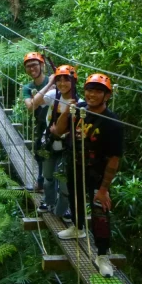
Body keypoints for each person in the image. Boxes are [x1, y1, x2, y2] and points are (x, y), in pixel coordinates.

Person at [54, 73, 123, 278]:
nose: (92, 94)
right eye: (89, 90)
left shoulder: (113, 123)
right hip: (75, 165)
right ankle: (78, 227)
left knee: (100, 213)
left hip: (97, 173)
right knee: (74, 197)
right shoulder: (79, 109)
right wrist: (67, 111)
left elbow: (114, 158)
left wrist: (103, 189)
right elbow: (58, 130)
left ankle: (102, 256)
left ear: (107, 96)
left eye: (98, 91)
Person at [32, 65, 82, 221]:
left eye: (66, 80)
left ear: (74, 82)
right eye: (59, 80)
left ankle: (62, 210)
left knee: (65, 183)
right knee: (48, 177)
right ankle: (49, 202)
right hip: (50, 143)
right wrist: (49, 83)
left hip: (67, 147)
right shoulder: (54, 95)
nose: (62, 84)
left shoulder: (80, 103)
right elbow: (35, 102)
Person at [21, 52, 53, 192]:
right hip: (41, 124)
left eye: (34, 65)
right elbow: (30, 107)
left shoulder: (54, 80)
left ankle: (52, 187)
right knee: (40, 153)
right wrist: (50, 85)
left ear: (42, 65)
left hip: (56, 125)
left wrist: (37, 99)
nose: (31, 69)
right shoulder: (28, 88)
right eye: (28, 66)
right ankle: (41, 182)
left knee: (55, 156)